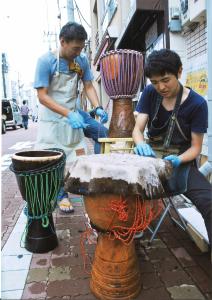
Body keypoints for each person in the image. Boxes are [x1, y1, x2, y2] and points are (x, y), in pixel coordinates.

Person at [133, 49, 212, 245]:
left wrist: (178, 160)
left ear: (179, 71)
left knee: (209, 202)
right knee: (120, 187)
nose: (161, 87)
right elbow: (137, 130)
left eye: (166, 80)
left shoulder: (197, 104)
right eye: (155, 82)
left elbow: (195, 148)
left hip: (181, 163)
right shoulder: (150, 93)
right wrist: (141, 144)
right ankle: (131, 228)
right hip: (151, 158)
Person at [34, 22, 108, 213]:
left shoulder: (81, 61)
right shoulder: (46, 61)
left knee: (103, 134)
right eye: (75, 48)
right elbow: (42, 96)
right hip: (52, 116)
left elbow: (89, 86)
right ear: (63, 41)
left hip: (75, 112)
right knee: (57, 157)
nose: (79, 52)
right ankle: (62, 195)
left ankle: (95, 178)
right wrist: (67, 114)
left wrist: (97, 107)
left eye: (81, 48)